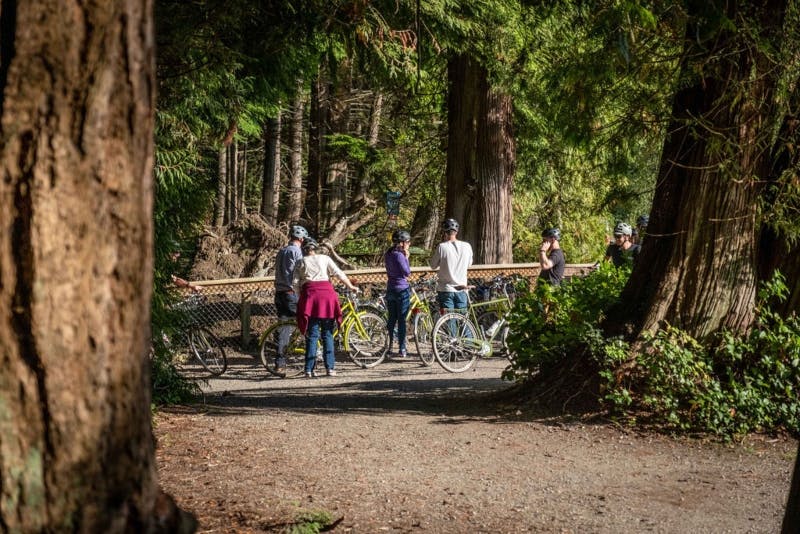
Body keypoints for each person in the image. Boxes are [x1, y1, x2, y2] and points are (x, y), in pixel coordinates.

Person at [293, 237, 358, 378]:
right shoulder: (324, 258)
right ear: (315, 248)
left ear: (303, 249)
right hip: (327, 297)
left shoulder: (300, 262)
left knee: (312, 335)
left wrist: (301, 298)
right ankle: (330, 368)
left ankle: (309, 369)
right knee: (327, 334)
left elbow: (295, 283)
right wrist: (351, 286)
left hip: (311, 297)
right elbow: (339, 273)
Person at [273, 224, 307, 375]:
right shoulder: (296, 251)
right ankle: (314, 353)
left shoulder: (281, 251)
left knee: (284, 329)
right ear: (301, 239)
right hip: (290, 293)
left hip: (279, 293)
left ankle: (280, 363)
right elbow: (300, 271)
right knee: (306, 320)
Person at [429, 218, 473, 312]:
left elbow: (433, 265)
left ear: (445, 232)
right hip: (462, 288)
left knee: (449, 320)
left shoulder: (442, 247)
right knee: (462, 320)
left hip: (446, 288)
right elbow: (469, 264)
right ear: (456, 232)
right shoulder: (467, 246)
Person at [385, 229, 412, 357]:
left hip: (390, 288)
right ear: (401, 243)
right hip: (402, 289)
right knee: (401, 320)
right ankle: (402, 348)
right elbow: (406, 272)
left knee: (391, 319)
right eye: (407, 242)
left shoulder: (388, 253)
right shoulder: (399, 255)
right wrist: (407, 258)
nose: (409, 244)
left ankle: (389, 346)